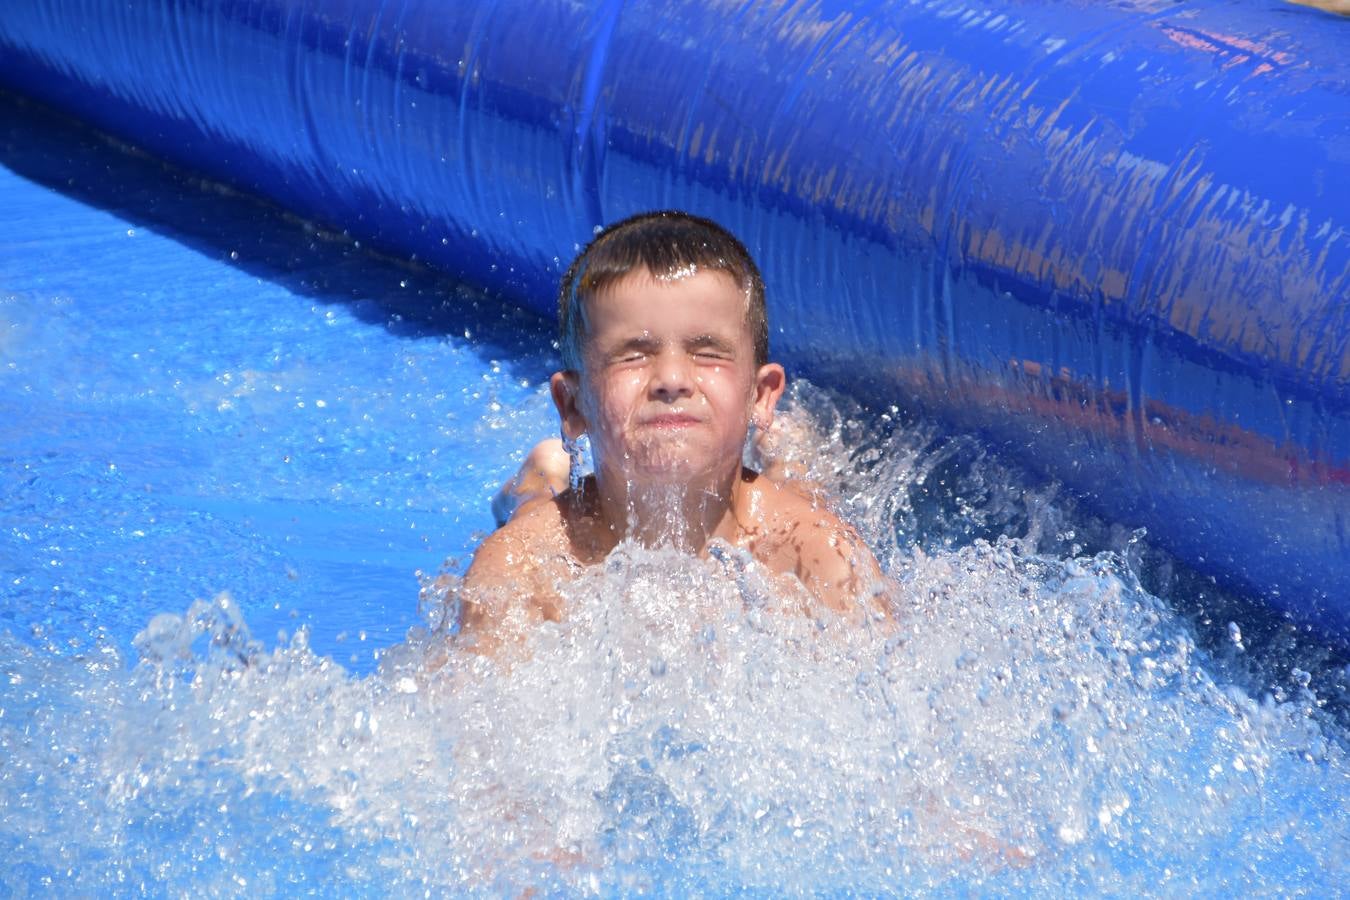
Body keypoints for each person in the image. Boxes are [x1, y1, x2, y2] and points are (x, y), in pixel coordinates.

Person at [460, 211, 886, 655]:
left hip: (776, 507)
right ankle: (542, 475)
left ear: (759, 396)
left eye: (707, 353)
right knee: (539, 508)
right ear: (572, 404)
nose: (672, 378)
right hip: (565, 518)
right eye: (633, 355)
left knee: (801, 493)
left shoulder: (819, 558)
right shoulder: (522, 567)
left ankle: (786, 457)